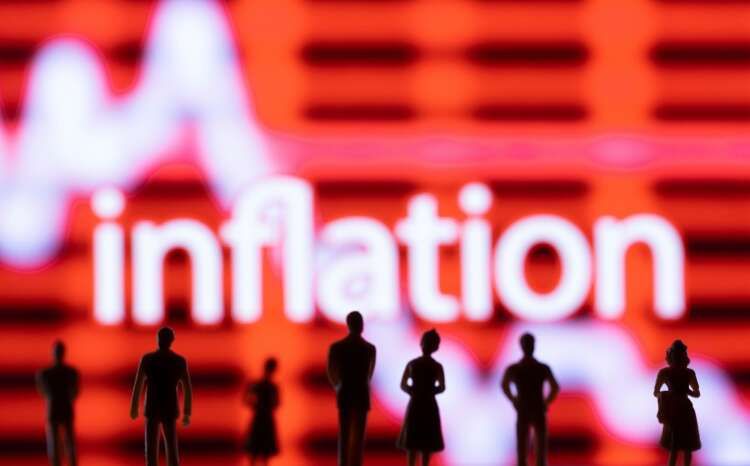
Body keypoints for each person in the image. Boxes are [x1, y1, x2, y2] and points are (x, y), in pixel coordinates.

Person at [130, 327, 193, 466]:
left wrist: (134, 408)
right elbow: (187, 388)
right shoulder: (178, 361)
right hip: (169, 408)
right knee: (171, 448)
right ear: (171, 341)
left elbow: (138, 385)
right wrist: (187, 413)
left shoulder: (148, 359)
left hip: (153, 408)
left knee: (152, 451)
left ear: (158, 339)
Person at [501, 333, 559, 466]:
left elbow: (505, 385)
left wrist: (513, 399)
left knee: (530, 445)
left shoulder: (518, 368)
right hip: (532, 408)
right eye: (527, 344)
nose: (528, 346)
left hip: (529, 408)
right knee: (530, 445)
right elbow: (555, 387)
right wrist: (546, 402)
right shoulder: (539, 368)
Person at [327, 311, 377, 466]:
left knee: (345, 433)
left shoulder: (338, 347)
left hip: (346, 392)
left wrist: (338, 386)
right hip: (361, 392)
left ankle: (344, 463)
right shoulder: (370, 348)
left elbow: (331, 372)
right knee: (358, 435)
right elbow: (370, 374)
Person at [397, 329, 445, 466]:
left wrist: (414, 391)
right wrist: (429, 391)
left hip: (417, 403)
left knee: (414, 440)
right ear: (436, 347)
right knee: (425, 442)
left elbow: (403, 384)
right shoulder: (436, 366)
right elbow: (441, 387)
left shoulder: (413, 364)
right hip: (427, 404)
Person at [654, 340, 701, 466]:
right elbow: (656, 392)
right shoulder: (664, 372)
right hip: (673, 410)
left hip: (684, 409)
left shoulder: (689, 373)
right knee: (675, 445)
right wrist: (668, 395)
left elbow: (697, 393)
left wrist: (686, 391)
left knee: (686, 445)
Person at [36, 341, 80, 466]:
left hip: (56, 409)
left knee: (63, 443)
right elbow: (75, 391)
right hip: (61, 409)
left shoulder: (46, 373)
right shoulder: (70, 373)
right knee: (64, 443)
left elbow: (42, 388)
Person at [244, 358, 281, 466]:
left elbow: (276, 403)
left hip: (263, 418)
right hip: (263, 419)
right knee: (259, 453)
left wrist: (255, 405)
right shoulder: (270, 386)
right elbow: (276, 403)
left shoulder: (268, 386)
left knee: (259, 453)